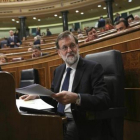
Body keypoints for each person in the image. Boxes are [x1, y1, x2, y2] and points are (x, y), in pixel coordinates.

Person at [20, 31, 110, 140]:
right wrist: (38, 96)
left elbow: (104, 99)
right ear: (59, 52)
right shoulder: (58, 70)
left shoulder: (93, 68)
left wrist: (77, 98)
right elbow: (54, 95)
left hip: (79, 121)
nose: (69, 50)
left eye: (72, 45)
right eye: (64, 47)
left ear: (78, 46)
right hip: (57, 118)